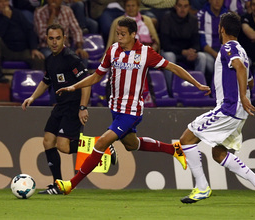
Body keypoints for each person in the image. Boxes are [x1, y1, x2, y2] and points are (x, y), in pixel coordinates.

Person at [54, 17, 211, 195]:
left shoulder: (146, 53)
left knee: (103, 142)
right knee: (131, 144)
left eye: (122, 34)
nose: (119, 37)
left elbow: (174, 68)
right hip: (115, 108)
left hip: (131, 110)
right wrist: (75, 86)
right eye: (117, 34)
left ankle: (71, 184)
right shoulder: (113, 51)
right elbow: (97, 75)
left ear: (133, 34)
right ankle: (173, 149)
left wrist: (196, 83)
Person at [178, 12, 255, 206]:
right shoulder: (242, 50)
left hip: (228, 109)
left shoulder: (228, 47)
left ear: (221, 29)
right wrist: (241, 90)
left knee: (186, 139)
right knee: (218, 153)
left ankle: (202, 187)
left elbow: (239, 67)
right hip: (238, 112)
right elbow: (251, 81)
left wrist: (241, 96)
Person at [21, 24, 116, 194]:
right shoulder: (49, 60)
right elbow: (46, 81)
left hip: (73, 105)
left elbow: (86, 83)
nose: (55, 42)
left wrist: (82, 107)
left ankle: (102, 147)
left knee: (63, 146)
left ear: (64, 39)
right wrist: (32, 97)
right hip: (60, 106)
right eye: (51, 38)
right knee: (47, 142)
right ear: (46, 39)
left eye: (58, 38)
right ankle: (58, 185)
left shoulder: (71, 58)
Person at [160, 0, 207, 96]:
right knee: (169, 56)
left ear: (189, 7)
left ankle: (198, 90)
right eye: (180, 6)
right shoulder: (167, 18)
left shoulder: (193, 20)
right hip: (172, 52)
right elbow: (165, 44)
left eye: (185, 6)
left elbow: (196, 42)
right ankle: (170, 92)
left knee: (202, 56)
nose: (182, 9)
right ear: (175, 7)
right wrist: (182, 52)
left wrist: (193, 51)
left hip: (187, 54)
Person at [0, 0, 45, 83]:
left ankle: (38, 88)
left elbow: (29, 31)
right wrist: (6, 19)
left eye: (6, 1)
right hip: (5, 51)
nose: (4, 4)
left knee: (38, 59)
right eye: (1, 2)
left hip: (22, 49)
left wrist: (34, 48)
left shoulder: (17, 13)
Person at [197, 0, 228, 85]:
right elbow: (202, 42)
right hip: (209, 52)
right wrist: (216, 55)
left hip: (223, 52)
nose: (217, 2)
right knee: (204, 58)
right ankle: (202, 87)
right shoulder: (201, 14)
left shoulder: (228, 16)